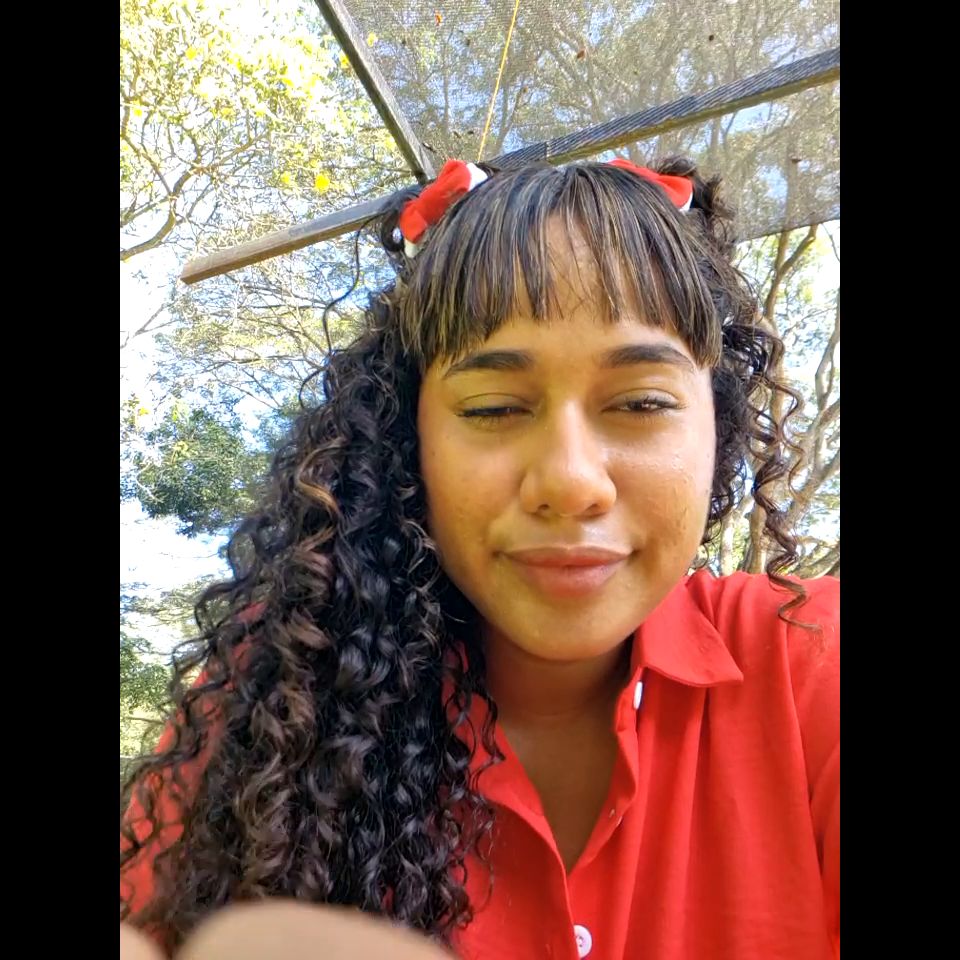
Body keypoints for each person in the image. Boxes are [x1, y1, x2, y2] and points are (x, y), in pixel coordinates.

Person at [121, 157, 839, 960]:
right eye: (495, 408)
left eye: (641, 401)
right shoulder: (281, 688)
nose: (570, 482)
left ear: (720, 427)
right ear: (409, 442)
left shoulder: (813, 661)